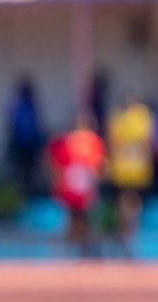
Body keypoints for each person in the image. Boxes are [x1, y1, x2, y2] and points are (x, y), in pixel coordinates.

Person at [48, 110, 106, 256]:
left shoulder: (92, 141)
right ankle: (72, 246)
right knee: (75, 218)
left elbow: (96, 165)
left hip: (84, 187)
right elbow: (58, 165)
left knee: (85, 218)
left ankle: (83, 246)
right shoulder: (65, 141)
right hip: (72, 188)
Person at [106, 91, 155, 258]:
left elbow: (113, 142)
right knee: (130, 205)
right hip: (133, 170)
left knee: (126, 204)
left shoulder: (120, 117)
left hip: (127, 169)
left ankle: (126, 238)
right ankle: (128, 239)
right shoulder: (142, 117)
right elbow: (148, 141)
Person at [6, 76, 44, 197]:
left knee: (30, 172)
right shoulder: (18, 105)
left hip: (30, 144)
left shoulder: (31, 104)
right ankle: (20, 194)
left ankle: (28, 194)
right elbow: (14, 125)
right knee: (21, 173)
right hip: (21, 145)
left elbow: (35, 125)